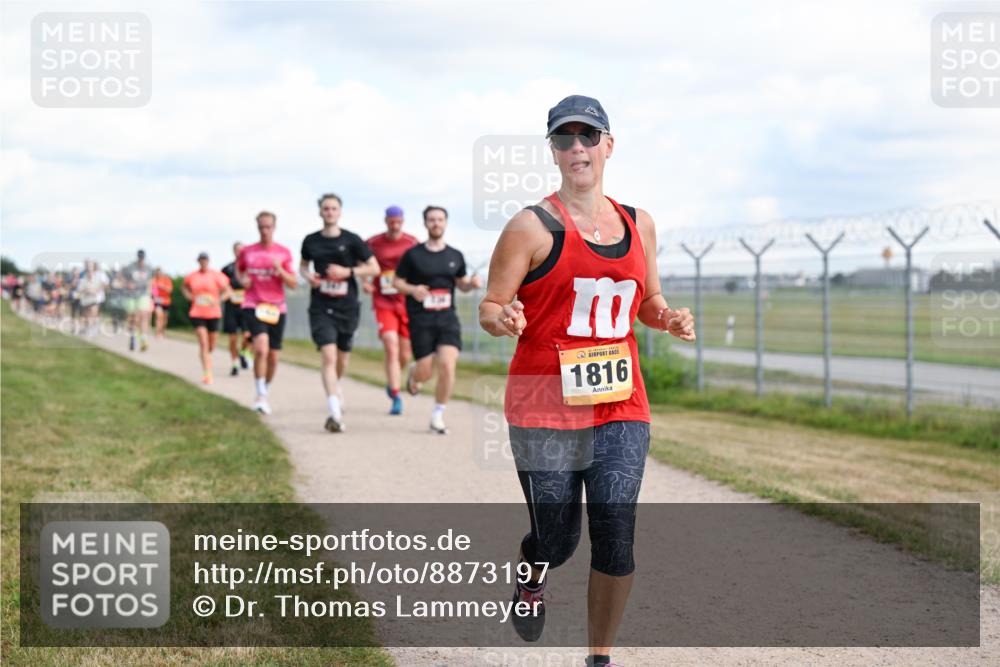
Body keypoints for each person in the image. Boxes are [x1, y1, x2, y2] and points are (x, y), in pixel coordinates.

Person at [477, 95, 695, 667]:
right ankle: (532, 574)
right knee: (556, 539)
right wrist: (504, 318)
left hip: (620, 402)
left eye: (588, 136)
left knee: (616, 531)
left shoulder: (639, 224)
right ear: (553, 151)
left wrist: (667, 318)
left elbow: (646, 299)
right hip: (543, 405)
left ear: (608, 146)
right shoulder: (530, 226)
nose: (577, 147)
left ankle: (599, 658)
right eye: (564, 138)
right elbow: (491, 305)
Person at [394, 205, 482, 434]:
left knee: (447, 365)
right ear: (425, 223)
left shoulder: (455, 255)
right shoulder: (413, 255)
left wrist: (471, 285)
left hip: (447, 319)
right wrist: (413, 289)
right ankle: (414, 374)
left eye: (440, 219)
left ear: (445, 223)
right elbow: (397, 282)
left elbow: (461, 284)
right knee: (425, 371)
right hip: (421, 320)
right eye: (431, 219)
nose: (436, 223)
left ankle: (437, 415)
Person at [299, 193, 380, 433]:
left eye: (334, 208)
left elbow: (374, 268)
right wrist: (309, 277)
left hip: (347, 306)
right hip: (321, 306)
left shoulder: (352, 240)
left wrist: (348, 272)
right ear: (320, 212)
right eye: (326, 208)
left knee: (342, 359)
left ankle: (336, 386)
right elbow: (303, 267)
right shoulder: (311, 241)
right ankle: (334, 411)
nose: (330, 212)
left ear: (340, 212)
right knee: (328, 356)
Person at [237, 211, 297, 415]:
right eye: (261, 227)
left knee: (273, 356)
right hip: (253, 304)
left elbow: (293, 283)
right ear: (257, 227)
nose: (265, 231)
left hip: (276, 307)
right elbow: (239, 270)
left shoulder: (283, 253)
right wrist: (242, 280)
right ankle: (260, 395)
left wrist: (280, 270)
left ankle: (265, 389)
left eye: (268, 227)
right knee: (261, 348)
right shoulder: (247, 251)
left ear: (274, 227)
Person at [365, 205, 418, 415]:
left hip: (405, 302)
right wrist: (365, 281)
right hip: (383, 301)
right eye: (391, 221)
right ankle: (396, 395)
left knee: (404, 354)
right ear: (386, 221)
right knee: (390, 343)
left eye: (398, 221)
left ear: (402, 221)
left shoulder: (412, 242)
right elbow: (361, 261)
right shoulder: (373, 243)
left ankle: (392, 378)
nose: (395, 224)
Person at [182, 252, 232, 385]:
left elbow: (228, 291)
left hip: (213, 313)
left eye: (205, 260)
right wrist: (189, 297)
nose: (203, 262)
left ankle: (206, 356)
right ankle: (207, 372)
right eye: (201, 260)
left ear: (208, 261)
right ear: (198, 261)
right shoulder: (192, 276)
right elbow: (184, 287)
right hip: (197, 312)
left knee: (211, 345)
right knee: (203, 343)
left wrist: (219, 300)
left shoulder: (216, 276)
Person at [221, 242, 253, 377]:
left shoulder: (251, 267)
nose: (239, 252)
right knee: (233, 338)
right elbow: (221, 285)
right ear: (233, 251)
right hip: (231, 307)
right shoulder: (227, 269)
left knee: (248, 336)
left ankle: (243, 352)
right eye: (237, 250)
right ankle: (234, 364)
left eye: (241, 250)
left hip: (247, 306)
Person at [121, 249, 153, 351]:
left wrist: (150, 292)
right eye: (139, 257)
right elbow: (122, 278)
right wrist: (127, 284)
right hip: (130, 296)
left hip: (143, 295)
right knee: (133, 319)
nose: (141, 259)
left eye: (142, 258)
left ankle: (143, 339)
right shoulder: (130, 267)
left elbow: (151, 281)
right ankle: (133, 337)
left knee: (143, 315)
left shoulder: (148, 268)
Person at [77, 260, 109, 336]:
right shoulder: (83, 279)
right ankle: (88, 328)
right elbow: (80, 289)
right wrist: (86, 290)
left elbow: (104, 285)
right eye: (88, 270)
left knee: (93, 314)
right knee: (86, 316)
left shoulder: (99, 276)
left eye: (91, 270)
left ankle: (92, 329)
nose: (90, 272)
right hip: (85, 300)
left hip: (95, 299)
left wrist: (96, 290)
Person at [151, 267, 174, 339]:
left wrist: (163, 287)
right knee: (159, 316)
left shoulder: (167, 279)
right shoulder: (154, 280)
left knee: (165, 318)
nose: (158, 274)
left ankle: (162, 332)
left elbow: (170, 291)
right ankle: (157, 333)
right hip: (157, 301)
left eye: (159, 273)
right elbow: (153, 292)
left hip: (166, 301)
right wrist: (154, 295)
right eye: (156, 273)